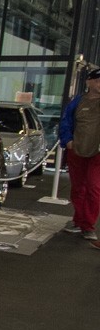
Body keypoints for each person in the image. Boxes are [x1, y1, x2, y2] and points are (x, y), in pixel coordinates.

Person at [59, 67, 100, 241]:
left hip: (97, 154)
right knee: (78, 188)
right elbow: (65, 122)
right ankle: (79, 221)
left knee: (94, 188)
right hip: (77, 150)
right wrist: (68, 140)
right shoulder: (77, 102)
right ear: (89, 82)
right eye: (97, 81)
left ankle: (88, 225)